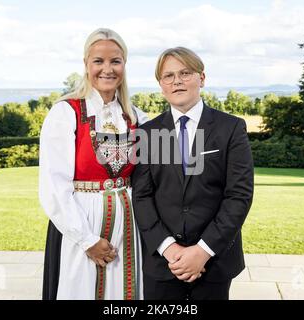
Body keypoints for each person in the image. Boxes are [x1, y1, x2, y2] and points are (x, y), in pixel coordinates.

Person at [132, 47, 254, 300]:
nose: (177, 80)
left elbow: (238, 195)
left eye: (185, 72)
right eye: (168, 76)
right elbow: (142, 197)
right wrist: (169, 249)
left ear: (202, 78)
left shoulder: (230, 128)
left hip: (214, 262)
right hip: (163, 263)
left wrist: (202, 251)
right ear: (161, 84)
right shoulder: (149, 133)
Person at [39, 28, 148, 300]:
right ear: (86, 64)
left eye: (116, 61)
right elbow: (54, 186)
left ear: (125, 65)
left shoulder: (137, 117)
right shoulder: (66, 112)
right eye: (98, 61)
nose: (107, 69)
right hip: (80, 225)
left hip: (129, 227)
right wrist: (87, 240)